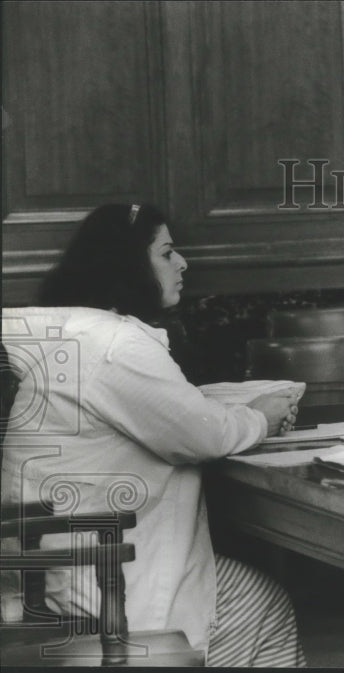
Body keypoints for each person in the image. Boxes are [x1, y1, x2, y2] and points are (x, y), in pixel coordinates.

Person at [1, 204, 305, 666]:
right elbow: (204, 436)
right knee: (264, 604)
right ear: (129, 266)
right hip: (99, 576)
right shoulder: (115, 346)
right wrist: (260, 415)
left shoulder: (77, 336)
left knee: (255, 597)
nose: (182, 263)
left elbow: (167, 416)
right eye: (166, 253)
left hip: (50, 568)